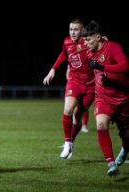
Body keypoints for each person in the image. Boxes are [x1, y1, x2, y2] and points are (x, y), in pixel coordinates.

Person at [43, 19, 95, 159]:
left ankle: (71, 141)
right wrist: (53, 69)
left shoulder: (89, 42)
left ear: (83, 30)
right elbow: (63, 54)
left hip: (91, 85)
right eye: (70, 29)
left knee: (77, 119)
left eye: (76, 29)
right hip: (74, 81)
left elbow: (103, 51)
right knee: (67, 109)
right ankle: (67, 143)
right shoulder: (67, 42)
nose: (72, 32)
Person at [83, 20, 129, 176]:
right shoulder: (90, 51)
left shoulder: (113, 47)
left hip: (123, 97)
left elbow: (125, 66)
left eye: (88, 40)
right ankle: (110, 162)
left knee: (126, 135)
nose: (86, 43)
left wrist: (103, 68)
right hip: (103, 98)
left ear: (98, 37)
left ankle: (124, 150)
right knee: (101, 124)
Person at [66, 66, 90, 133]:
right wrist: (71, 82)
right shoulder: (72, 58)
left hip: (84, 86)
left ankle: (84, 125)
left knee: (83, 106)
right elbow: (68, 72)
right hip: (74, 85)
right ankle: (74, 125)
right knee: (70, 107)